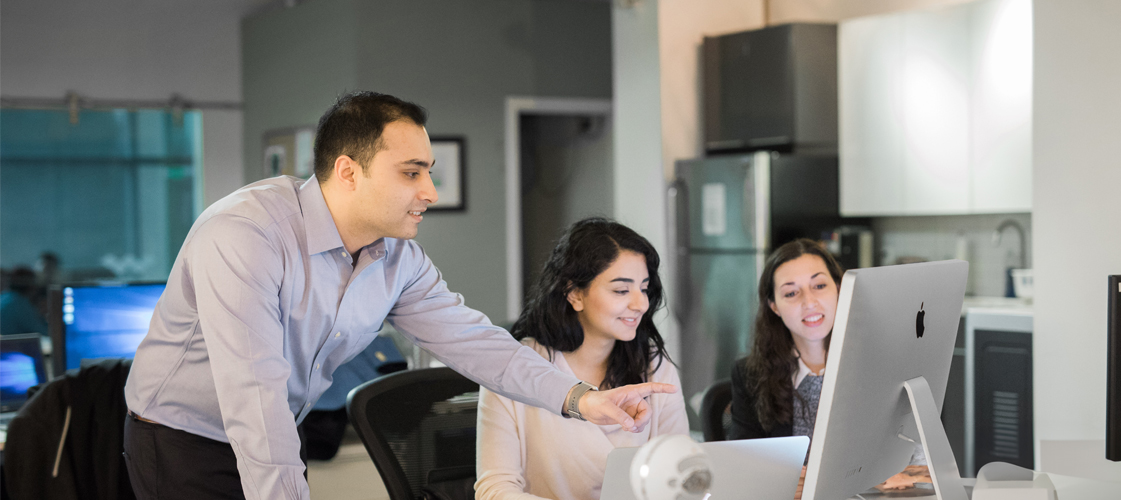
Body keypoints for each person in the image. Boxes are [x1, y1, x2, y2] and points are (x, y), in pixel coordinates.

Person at [122, 92, 676, 500]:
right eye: (411, 173)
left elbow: (478, 344)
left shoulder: (396, 258)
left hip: (273, 434)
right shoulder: (247, 236)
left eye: (428, 173)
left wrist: (580, 399)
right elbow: (253, 394)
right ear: (348, 172)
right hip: (182, 438)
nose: (429, 192)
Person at [474, 218, 689, 500]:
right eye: (621, 290)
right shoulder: (514, 369)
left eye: (644, 288)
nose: (641, 304)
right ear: (575, 293)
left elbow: (681, 474)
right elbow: (495, 491)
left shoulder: (652, 364)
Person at [728, 239, 930, 495]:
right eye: (791, 293)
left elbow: (919, 459)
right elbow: (739, 467)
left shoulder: (884, 362)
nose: (809, 302)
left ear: (838, 288)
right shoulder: (749, 375)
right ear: (774, 307)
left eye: (819, 285)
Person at [0, 266, 48, 337]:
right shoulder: (21, 305)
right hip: (13, 346)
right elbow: (43, 332)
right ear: (32, 287)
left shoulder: (3, 297)